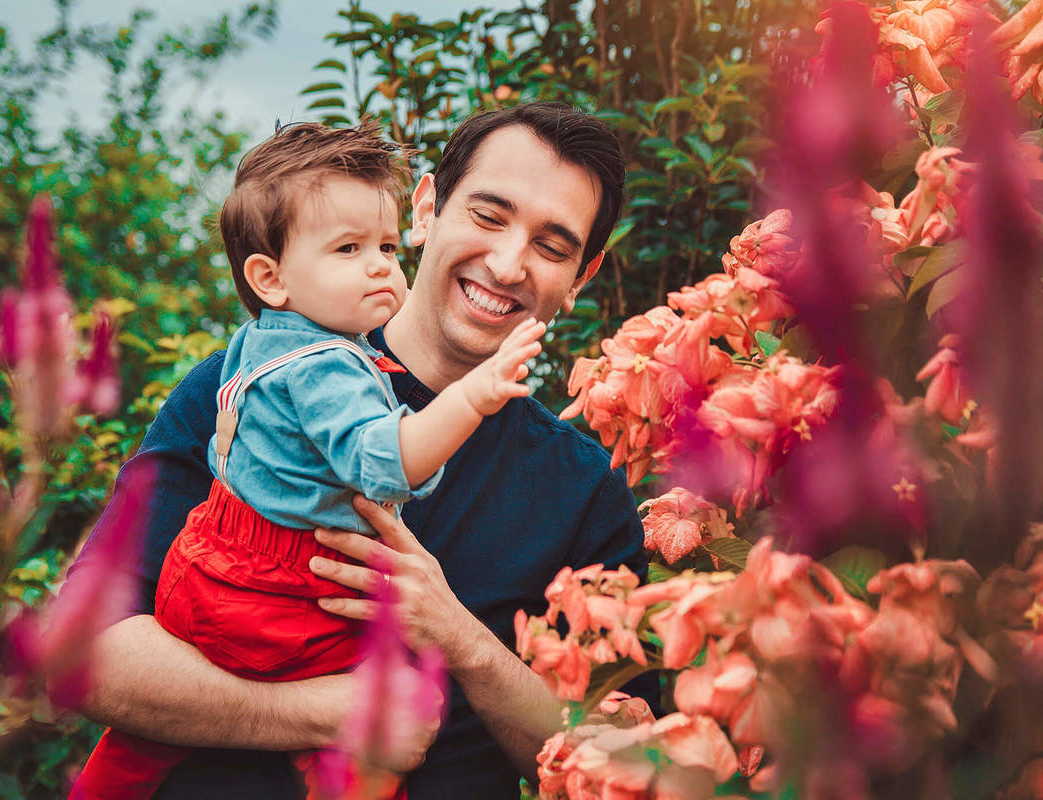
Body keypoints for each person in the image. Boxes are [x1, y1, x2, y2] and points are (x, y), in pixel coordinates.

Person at [66, 102, 646, 799]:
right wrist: (321, 713)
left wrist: (462, 642)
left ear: (581, 277)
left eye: (552, 247)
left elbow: (617, 768)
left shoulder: (584, 493)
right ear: (427, 208)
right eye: (489, 216)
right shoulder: (246, 386)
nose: (507, 261)